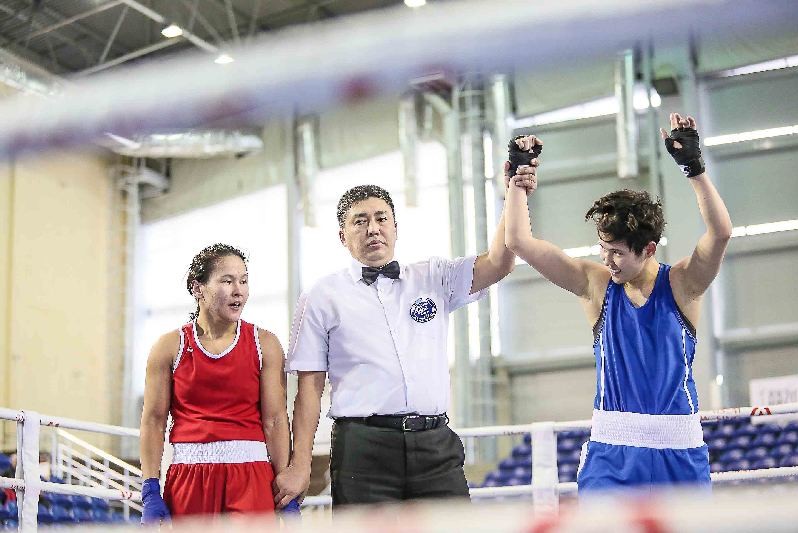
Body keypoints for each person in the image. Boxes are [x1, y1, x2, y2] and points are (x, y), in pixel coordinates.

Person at [504, 113, 732, 491]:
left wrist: (693, 168)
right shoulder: (596, 286)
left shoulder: (682, 284)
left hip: (679, 451)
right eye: (603, 248)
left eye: (618, 253)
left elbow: (721, 233)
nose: (607, 261)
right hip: (612, 452)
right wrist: (517, 180)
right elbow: (519, 242)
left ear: (649, 249)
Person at [274, 184, 521, 507]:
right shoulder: (321, 296)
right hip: (363, 449)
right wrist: (300, 463)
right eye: (360, 221)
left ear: (395, 227)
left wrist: (515, 191)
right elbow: (309, 388)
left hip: (436, 446)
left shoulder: (434, 276)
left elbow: (501, 263)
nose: (373, 229)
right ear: (342, 236)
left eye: (381, 218)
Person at [139, 243, 297, 524]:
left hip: (252, 476)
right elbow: (153, 420)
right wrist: (150, 486)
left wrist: (284, 483)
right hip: (188, 478)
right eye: (227, 281)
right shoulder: (169, 347)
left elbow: (274, 420)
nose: (239, 291)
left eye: (244, 281)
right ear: (198, 288)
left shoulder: (265, 344)